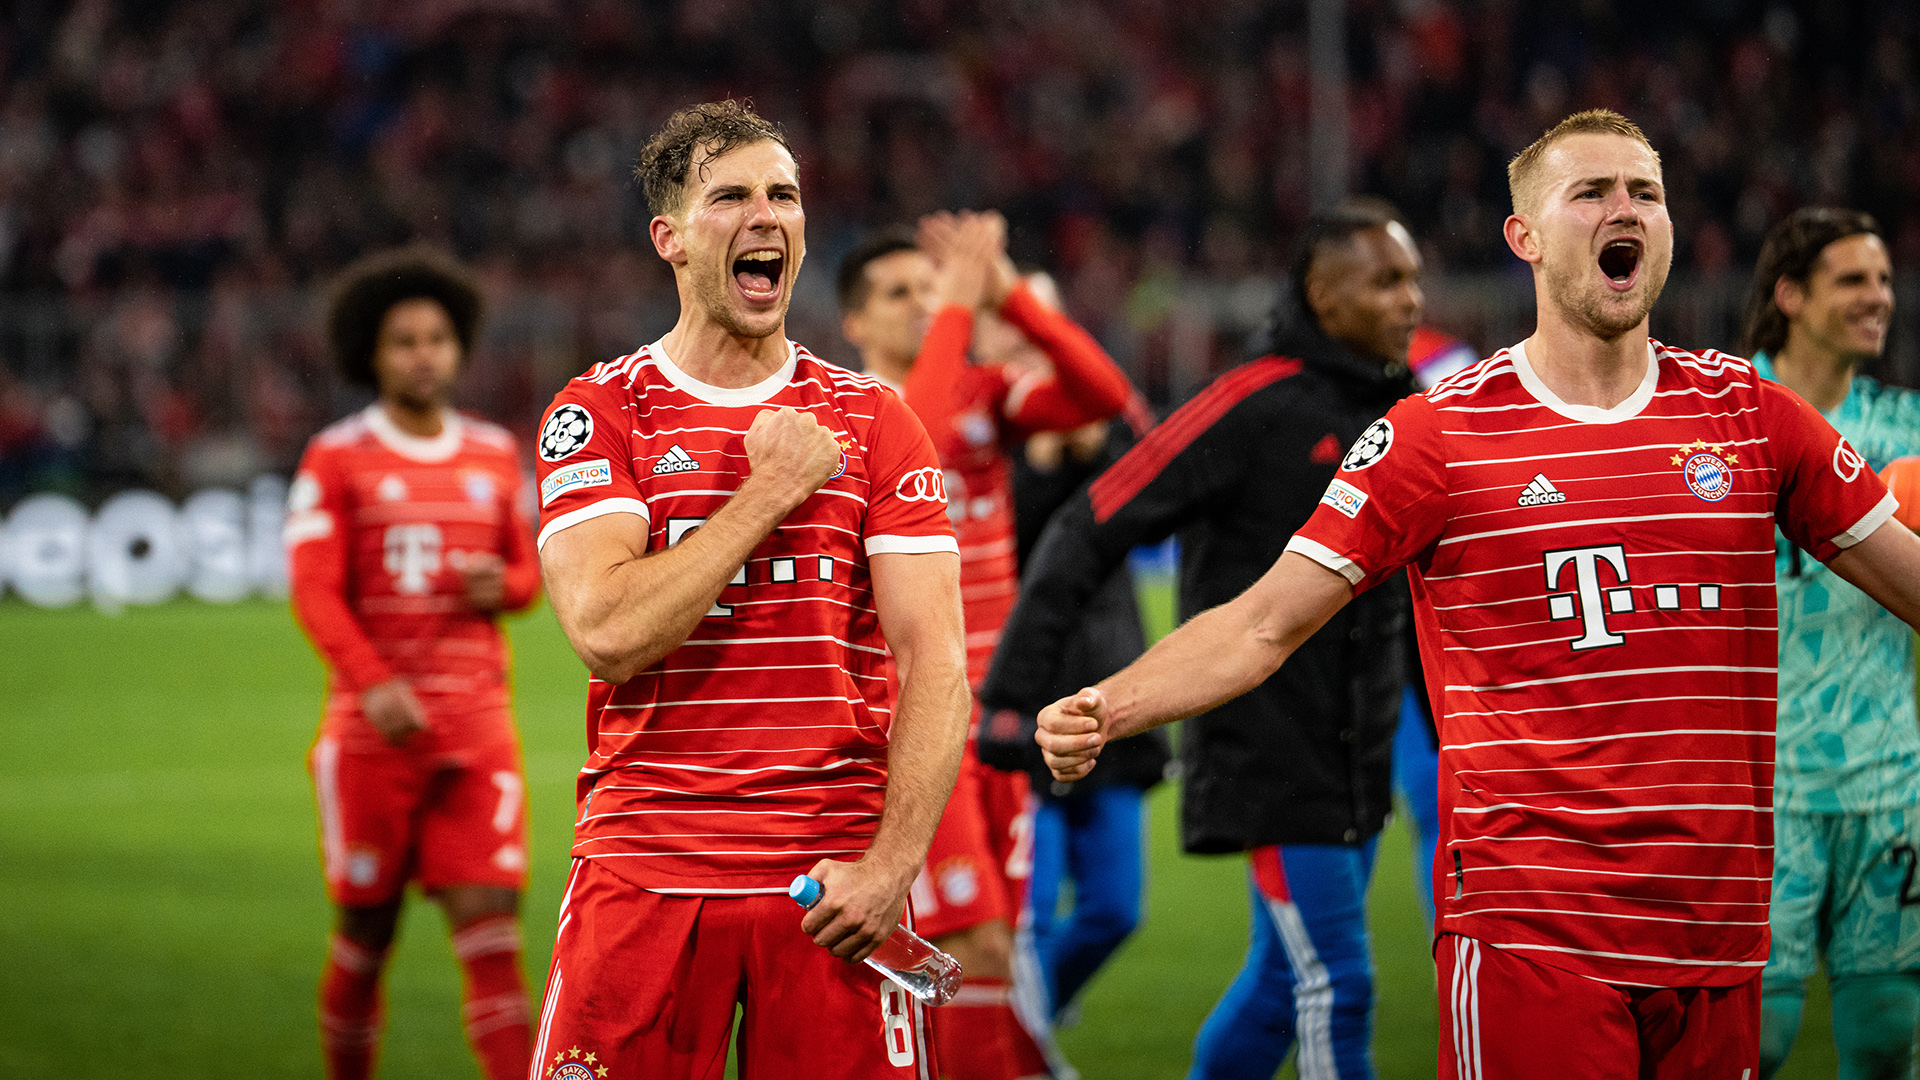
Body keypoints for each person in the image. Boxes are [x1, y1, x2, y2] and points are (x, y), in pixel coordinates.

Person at [1035, 108, 1920, 1077]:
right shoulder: (1439, 435)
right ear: (1525, 238)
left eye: (1646, 194)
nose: (1624, 209)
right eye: (1591, 192)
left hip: (1716, 942)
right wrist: (1109, 704)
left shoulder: (1752, 417)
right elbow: (1262, 622)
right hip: (1532, 939)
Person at [526, 100, 970, 1080]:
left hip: (832, 888)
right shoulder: (599, 412)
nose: (766, 216)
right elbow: (604, 630)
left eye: (785, 195)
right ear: (671, 238)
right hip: (644, 873)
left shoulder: (875, 419)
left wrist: (893, 869)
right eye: (730, 197)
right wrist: (767, 491)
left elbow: (935, 659)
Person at [982, 198, 1425, 1080]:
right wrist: (1010, 695)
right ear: (1323, 294)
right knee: (1338, 985)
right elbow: (1091, 522)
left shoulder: (1408, 408)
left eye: (1413, 279)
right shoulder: (1247, 404)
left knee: (1275, 985)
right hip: (1270, 749)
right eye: (1386, 281)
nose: (1410, 300)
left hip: (1359, 750)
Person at [837, 218, 1133, 1080]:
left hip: (1000, 706)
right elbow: (913, 439)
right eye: (902, 294)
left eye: (930, 289)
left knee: (999, 943)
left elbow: (1103, 396)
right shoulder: (844, 408)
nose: (927, 306)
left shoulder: (982, 393)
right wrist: (964, 309)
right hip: (915, 717)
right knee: (977, 942)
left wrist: (1014, 302)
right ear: (854, 321)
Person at [285, 246, 542, 1080]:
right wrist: (377, 685)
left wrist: (497, 583)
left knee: (494, 936)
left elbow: (530, 576)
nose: (423, 354)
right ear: (370, 353)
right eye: (404, 341)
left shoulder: (494, 454)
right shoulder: (336, 457)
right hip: (374, 739)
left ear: (459, 347)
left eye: (436, 338)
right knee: (367, 933)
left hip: (475, 732)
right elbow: (316, 593)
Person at [1737, 208, 1920, 1079]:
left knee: (1886, 1037)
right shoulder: (1722, 424)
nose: (1877, 297)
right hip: (1758, 784)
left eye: (1882, 280)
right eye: (1853, 280)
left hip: (1888, 779)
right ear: (1790, 295)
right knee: (1755, 1041)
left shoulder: (1910, 436)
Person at [998, 408, 1171, 1028]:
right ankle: (1029, 1041)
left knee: (1116, 910)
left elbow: (1156, 507)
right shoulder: (988, 446)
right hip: (1020, 714)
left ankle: (1041, 1007)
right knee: (1031, 914)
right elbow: (1013, 544)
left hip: (1109, 705)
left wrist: (1096, 446)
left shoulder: (1115, 445)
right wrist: (1042, 462)